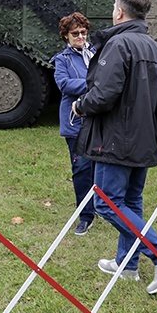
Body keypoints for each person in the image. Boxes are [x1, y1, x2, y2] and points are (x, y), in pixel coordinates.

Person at [72, 0, 157, 295]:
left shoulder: (119, 43)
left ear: (119, 12)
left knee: (106, 203)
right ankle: (127, 265)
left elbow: (104, 94)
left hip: (117, 139)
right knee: (130, 201)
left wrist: (80, 106)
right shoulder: (151, 45)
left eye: (112, 7)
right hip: (144, 136)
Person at [51, 12, 97, 236]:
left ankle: (101, 208)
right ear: (66, 36)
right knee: (81, 168)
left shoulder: (96, 54)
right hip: (75, 122)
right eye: (75, 33)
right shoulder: (62, 59)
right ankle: (85, 216)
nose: (80, 36)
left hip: (99, 120)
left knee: (100, 167)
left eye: (83, 32)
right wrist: (93, 84)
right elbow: (64, 84)